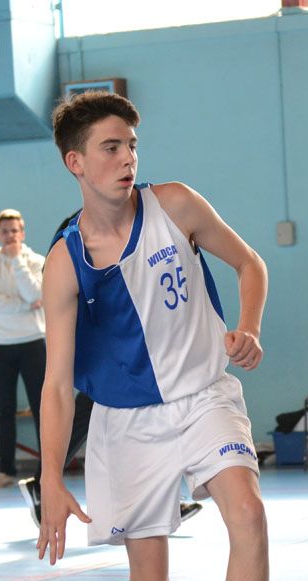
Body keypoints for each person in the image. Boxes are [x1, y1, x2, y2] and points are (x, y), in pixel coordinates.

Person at [39, 92, 269, 581]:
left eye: (132, 146)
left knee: (247, 514)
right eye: (110, 147)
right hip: (127, 422)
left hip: (204, 396)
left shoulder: (175, 205)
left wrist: (248, 327)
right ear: (75, 163)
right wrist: (50, 478)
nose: (127, 158)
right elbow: (57, 384)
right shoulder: (65, 263)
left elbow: (250, 263)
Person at [14, 212, 202, 528]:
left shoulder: (131, 237)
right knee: (109, 415)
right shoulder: (74, 249)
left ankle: (162, 497)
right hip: (108, 357)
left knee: (117, 418)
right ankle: (45, 481)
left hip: (124, 356)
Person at [0, 208, 46, 489]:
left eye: (15, 230)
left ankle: (47, 471)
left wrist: (17, 261)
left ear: (22, 233)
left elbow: (36, 294)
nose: (10, 236)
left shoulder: (37, 261)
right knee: (4, 410)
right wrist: (24, 306)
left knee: (43, 408)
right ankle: (5, 469)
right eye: (5, 231)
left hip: (33, 342)